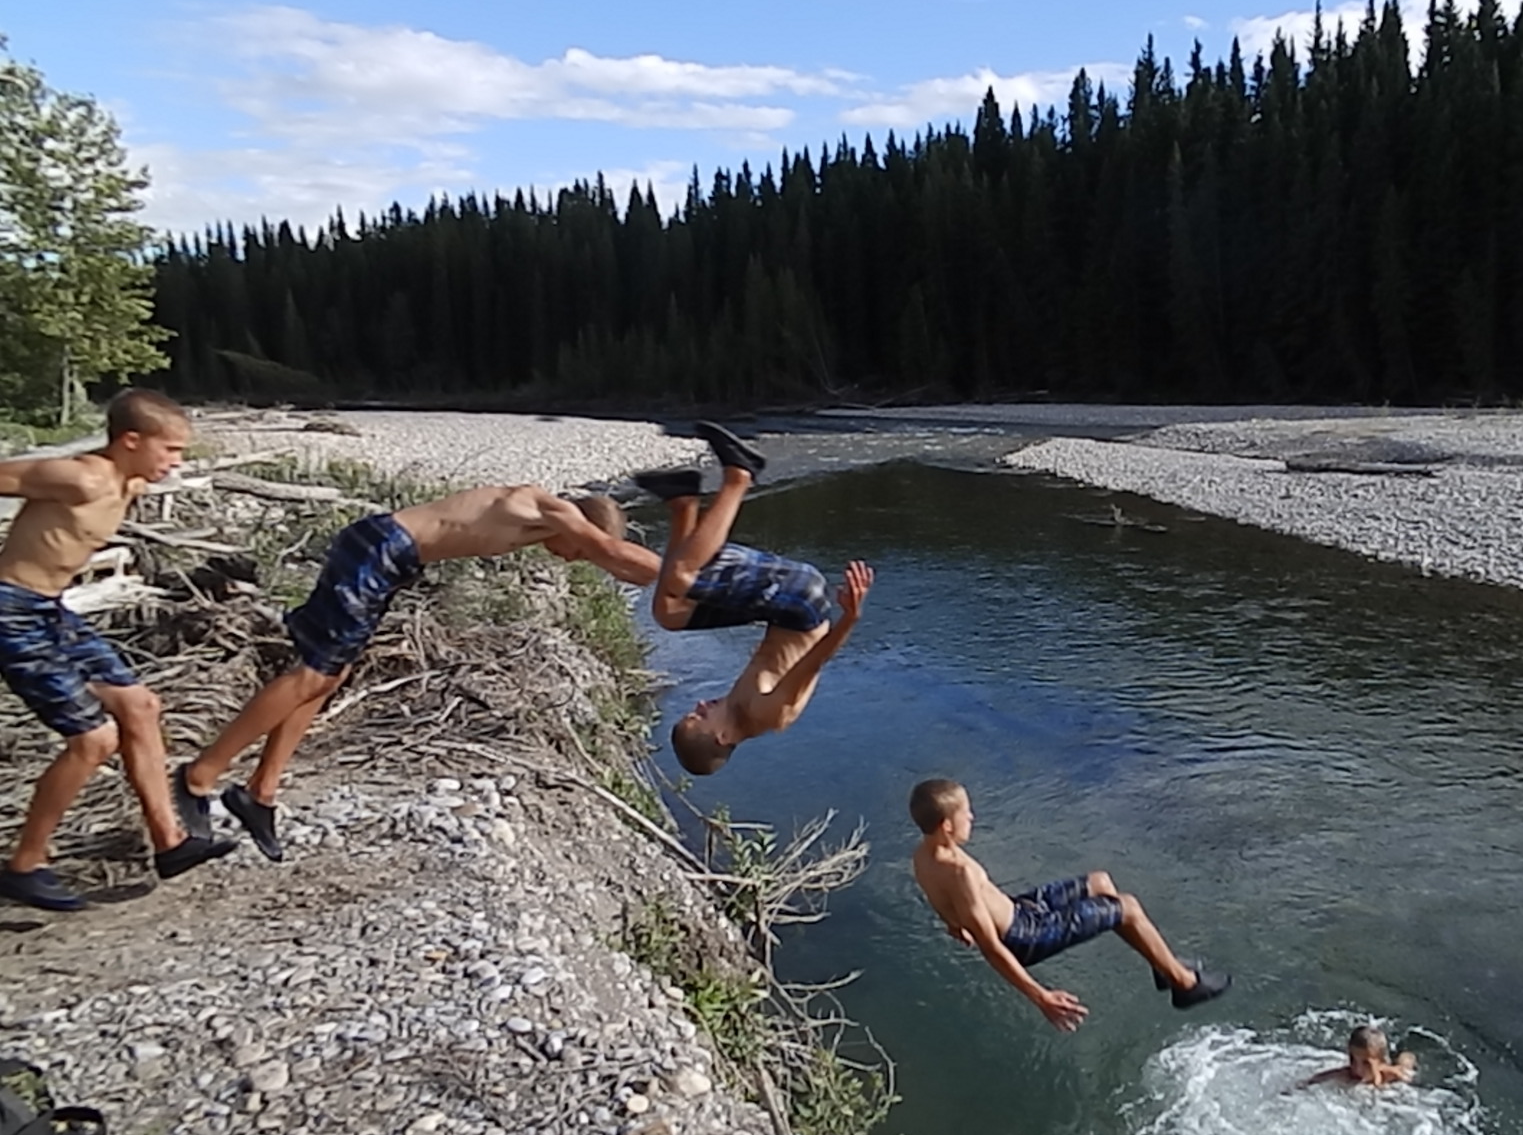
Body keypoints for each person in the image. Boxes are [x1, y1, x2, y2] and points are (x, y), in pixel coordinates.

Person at [178, 485, 659, 859]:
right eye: (580, 551)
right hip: (379, 548)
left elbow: (613, 561)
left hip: (388, 559)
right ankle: (200, 775)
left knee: (330, 675)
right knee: (314, 674)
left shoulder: (548, 522)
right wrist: (694, 579)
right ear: (581, 523)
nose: (577, 560)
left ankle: (260, 793)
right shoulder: (546, 508)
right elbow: (616, 556)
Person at [0, 390, 230, 910]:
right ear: (131, 441)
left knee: (140, 705)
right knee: (94, 739)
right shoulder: (80, 477)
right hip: (9, 611)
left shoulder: (130, 482)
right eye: (170, 449)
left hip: (50, 610)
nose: (177, 461)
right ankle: (25, 865)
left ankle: (171, 842)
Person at [638, 422, 871, 776]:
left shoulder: (736, 708)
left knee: (668, 612)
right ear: (720, 736)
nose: (700, 703)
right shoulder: (769, 714)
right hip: (802, 600)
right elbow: (813, 663)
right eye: (699, 715)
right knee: (684, 577)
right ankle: (740, 473)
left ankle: (682, 501)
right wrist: (850, 618)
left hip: (779, 612)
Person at [907, 777, 1230, 1032]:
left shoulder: (923, 856)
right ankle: (1184, 985)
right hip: (1025, 937)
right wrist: (1041, 997)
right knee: (1127, 907)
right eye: (966, 813)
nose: (972, 817)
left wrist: (954, 924)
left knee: (1100, 882)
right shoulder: (960, 874)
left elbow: (938, 896)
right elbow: (991, 948)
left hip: (1021, 909)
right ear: (946, 825)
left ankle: (1163, 966)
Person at [1299, 1024, 1417, 1089]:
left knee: (1405, 1061)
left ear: (1379, 1062)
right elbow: (1318, 1078)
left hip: (1391, 1065)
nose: (1357, 1068)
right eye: (1352, 1059)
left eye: (1366, 1063)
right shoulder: (1347, 1073)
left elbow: (1407, 1078)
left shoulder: (1389, 1074)